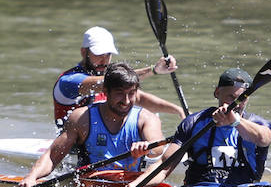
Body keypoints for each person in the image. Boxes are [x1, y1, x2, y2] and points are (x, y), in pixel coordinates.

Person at [17, 63, 174, 187]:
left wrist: (147, 148)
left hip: (130, 186)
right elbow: (52, 156)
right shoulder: (82, 118)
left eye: (131, 94)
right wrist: (32, 177)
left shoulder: (147, 119)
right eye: (120, 94)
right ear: (105, 92)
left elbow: (158, 148)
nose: (126, 101)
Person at [123, 67, 271, 187]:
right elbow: (164, 166)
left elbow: (264, 139)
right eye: (231, 97)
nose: (236, 104)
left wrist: (236, 122)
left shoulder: (259, 124)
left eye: (242, 99)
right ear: (217, 92)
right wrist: (137, 184)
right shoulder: (193, 123)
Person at [53, 26, 184, 124]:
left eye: (108, 55)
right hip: (75, 145)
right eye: (98, 54)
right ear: (83, 52)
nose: (104, 60)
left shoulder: (110, 78)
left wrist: (178, 110)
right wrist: (153, 70)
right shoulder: (69, 81)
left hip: (102, 138)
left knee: (150, 115)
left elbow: (140, 99)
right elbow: (109, 82)